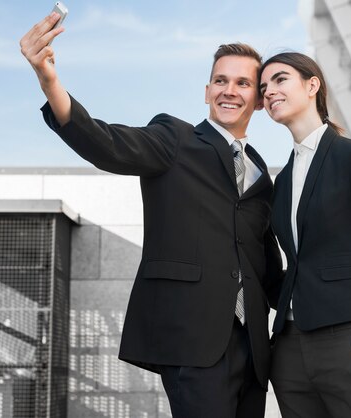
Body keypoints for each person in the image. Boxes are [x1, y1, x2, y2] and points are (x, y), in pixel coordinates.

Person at [20, 12, 283, 418]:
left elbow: (267, 261)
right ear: (206, 90)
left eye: (242, 83)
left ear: (260, 100)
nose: (229, 91)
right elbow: (105, 142)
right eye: (220, 81)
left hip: (251, 347)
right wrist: (50, 80)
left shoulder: (262, 172)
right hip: (193, 341)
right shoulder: (174, 139)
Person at [259, 52, 351, 418]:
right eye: (263, 87)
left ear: (313, 85)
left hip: (348, 343)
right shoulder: (280, 183)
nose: (269, 92)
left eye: (280, 79)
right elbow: (290, 268)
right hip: (290, 352)